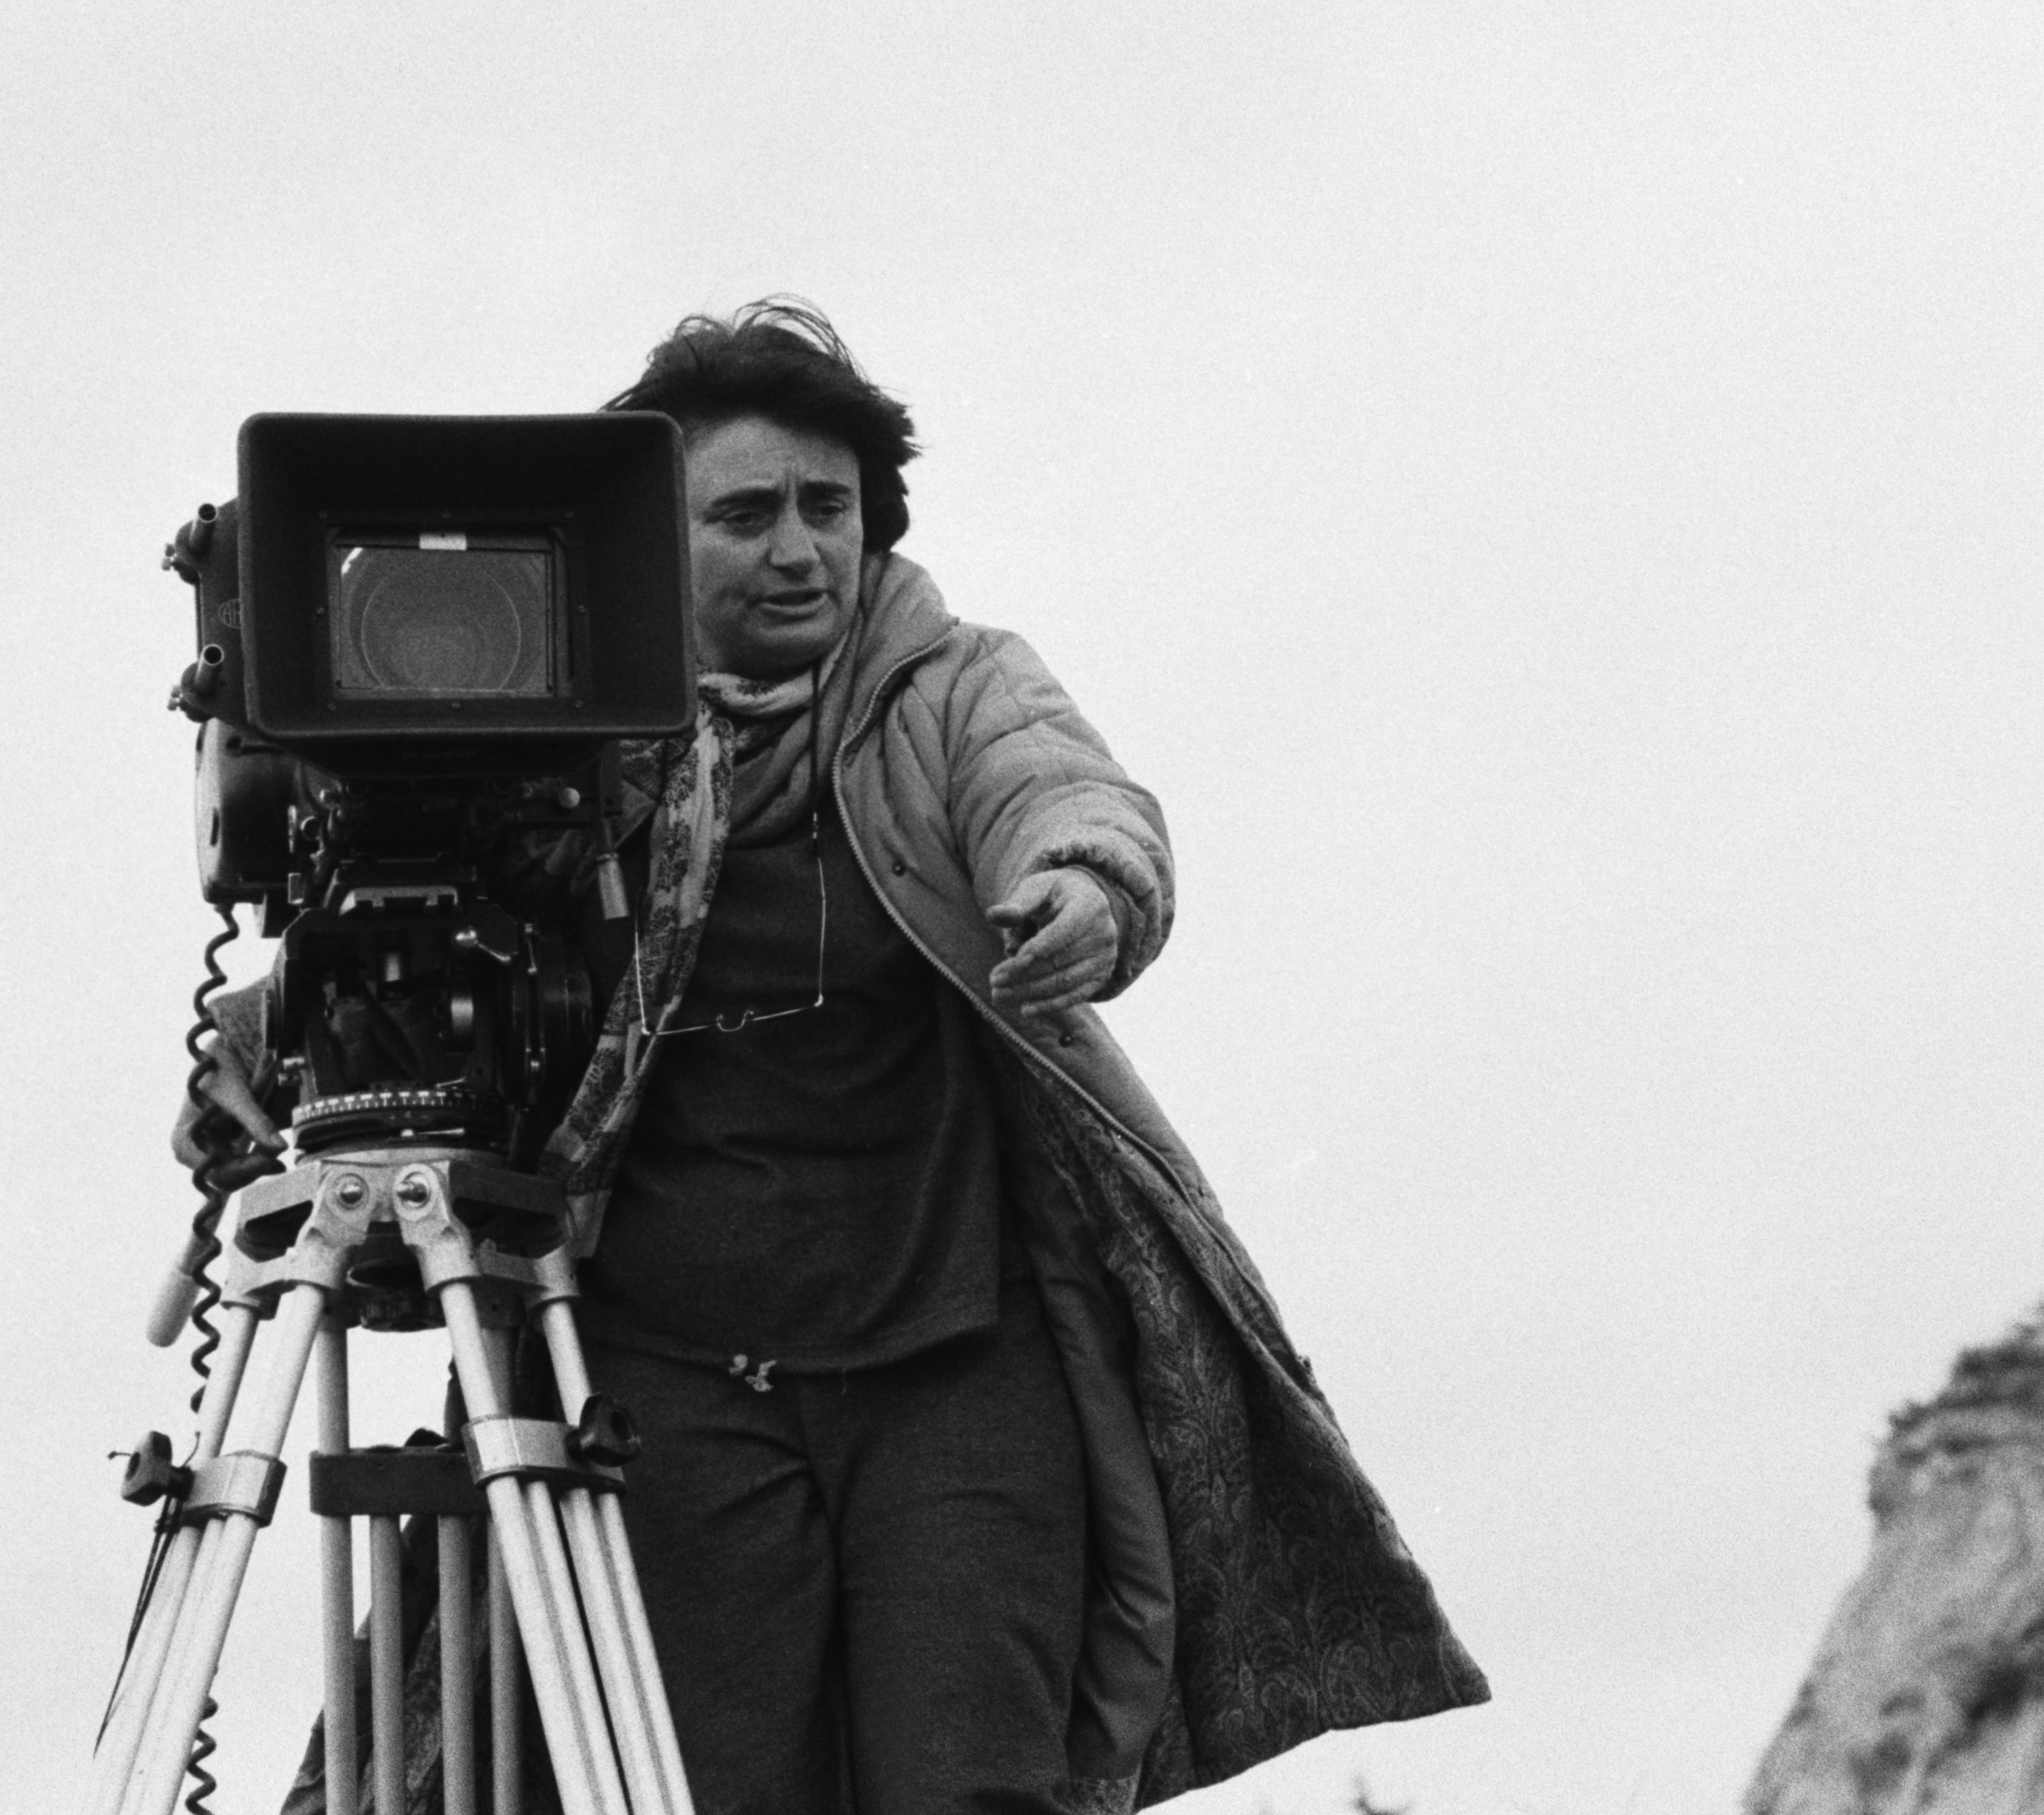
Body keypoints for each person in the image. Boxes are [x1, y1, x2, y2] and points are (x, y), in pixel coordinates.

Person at [180, 304, 1484, 1814]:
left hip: (956, 1365)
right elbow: (432, 939)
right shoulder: (574, 738)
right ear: (645, 543)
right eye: (744, 515)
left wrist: (1081, 886)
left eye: (829, 508)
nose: (799, 548)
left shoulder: (951, 685)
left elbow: (1065, 793)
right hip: (660, 1378)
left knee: (975, 1783)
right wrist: (256, 1049)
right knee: (702, 1787)